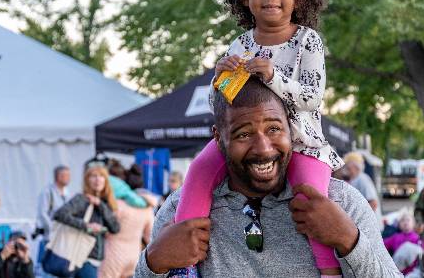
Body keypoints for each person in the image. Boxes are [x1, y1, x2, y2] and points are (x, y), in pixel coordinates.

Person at [172, 0, 345, 277]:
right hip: (245, 139)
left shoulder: (307, 41)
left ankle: (328, 270)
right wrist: (219, 78)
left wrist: (273, 76)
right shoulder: (240, 44)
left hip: (301, 142)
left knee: (311, 198)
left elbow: (311, 97)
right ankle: (185, 263)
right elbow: (220, 107)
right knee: (198, 172)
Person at [135, 77, 401, 277]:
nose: (263, 148)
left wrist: (348, 240)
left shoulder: (342, 202)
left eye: (274, 129)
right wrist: (152, 262)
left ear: (291, 128)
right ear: (219, 138)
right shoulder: (179, 211)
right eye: (243, 134)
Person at [53, 166, 120, 278]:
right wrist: (86, 226)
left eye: (101, 176)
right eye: (94, 176)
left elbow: (115, 228)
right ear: (87, 180)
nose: (98, 179)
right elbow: (60, 214)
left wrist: (100, 205)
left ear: (106, 180)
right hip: (81, 257)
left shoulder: (106, 203)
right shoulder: (82, 199)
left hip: (95, 258)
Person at [99, 182, 155, 278]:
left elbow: (107, 227)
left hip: (113, 252)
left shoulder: (119, 205)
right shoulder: (148, 209)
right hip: (133, 255)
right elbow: (150, 237)